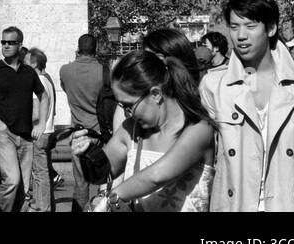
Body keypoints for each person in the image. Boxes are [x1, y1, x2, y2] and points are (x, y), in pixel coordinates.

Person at [200, 0, 294, 212]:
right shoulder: (214, 86)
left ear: (271, 28)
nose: (241, 35)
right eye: (234, 26)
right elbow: (204, 159)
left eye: (250, 26)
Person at [72, 48, 215, 212]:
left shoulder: (199, 129)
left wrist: (111, 198)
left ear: (155, 94)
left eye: (129, 105)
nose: (127, 114)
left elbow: (155, 177)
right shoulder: (132, 130)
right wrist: (88, 152)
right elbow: (100, 174)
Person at [0, 26, 47, 213]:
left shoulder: (28, 72)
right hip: (5, 135)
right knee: (12, 181)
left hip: (26, 136)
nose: (6, 46)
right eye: (3, 42)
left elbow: (43, 96)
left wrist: (41, 123)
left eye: (11, 42)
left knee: (23, 188)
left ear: (19, 45)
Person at [59, 32, 105, 212]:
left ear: (78, 49)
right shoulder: (103, 71)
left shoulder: (65, 70)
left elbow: (65, 88)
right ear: (96, 49)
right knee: (104, 181)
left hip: (78, 133)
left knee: (80, 183)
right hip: (100, 132)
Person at [26, 48, 56, 212]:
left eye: (26, 62)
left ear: (34, 63)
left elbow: (36, 113)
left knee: (39, 174)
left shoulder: (37, 80)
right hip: (47, 131)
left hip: (39, 132)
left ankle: (42, 207)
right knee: (44, 172)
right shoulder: (47, 80)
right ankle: (45, 205)